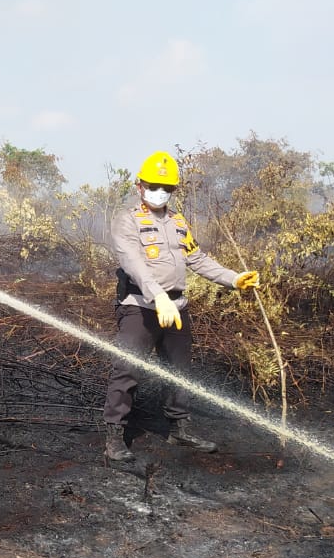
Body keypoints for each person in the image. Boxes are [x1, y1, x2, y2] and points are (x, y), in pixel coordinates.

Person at [102, 151, 260, 462]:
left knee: (179, 371)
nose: (161, 192)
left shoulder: (177, 222)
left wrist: (234, 279)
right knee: (127, 369)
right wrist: (157, 296)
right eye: (154, 185)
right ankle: (114, 437)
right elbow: (133, 262)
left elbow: (197, 258)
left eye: (168, 187)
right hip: (141, 306)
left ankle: (178, 429)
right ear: (140, 186)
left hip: (176, 306)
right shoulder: (128, 220)